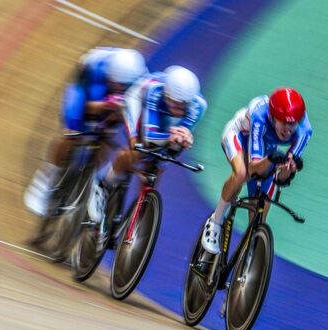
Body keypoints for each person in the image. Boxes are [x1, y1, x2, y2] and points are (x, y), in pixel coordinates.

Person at [24, 47, 147, 216]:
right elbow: (86, 106)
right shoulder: (96, 67)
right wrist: (106, 105)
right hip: (87, 91)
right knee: (72, 132)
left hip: (116, 101)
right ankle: (46, 179)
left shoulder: (141, 80)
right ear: (110, 76)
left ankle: (93, 180)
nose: (120, 88)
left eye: (124, 86)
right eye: (117, 84)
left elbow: (135, 116)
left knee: (108, 135)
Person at [87, 65, 207, 226]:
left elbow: (178, 140)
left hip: (164, 118)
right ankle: (102, 184)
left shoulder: (198, 106)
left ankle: (141, 212)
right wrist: (170, 136)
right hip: (137, 101)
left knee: (161, 164)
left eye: (183, 106)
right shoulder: (155, 92)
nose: (179, 110)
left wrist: (184, 139)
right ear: (166, 95)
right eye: (174, 104)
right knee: (137, 147)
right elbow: (150, 137)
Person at [201, 87, 312, 254]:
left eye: (292, 125)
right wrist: (270, 159)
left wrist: (289, 168)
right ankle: (215, 222)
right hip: (239, 135)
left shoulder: (304, 131)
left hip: (267, 147)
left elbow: (281, 180)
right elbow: (253, 168)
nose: (288, 130)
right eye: (283, 123)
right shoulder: (259, 116)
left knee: (260, 206)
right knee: (242, 174)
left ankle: (250, 254)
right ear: (273, 118)